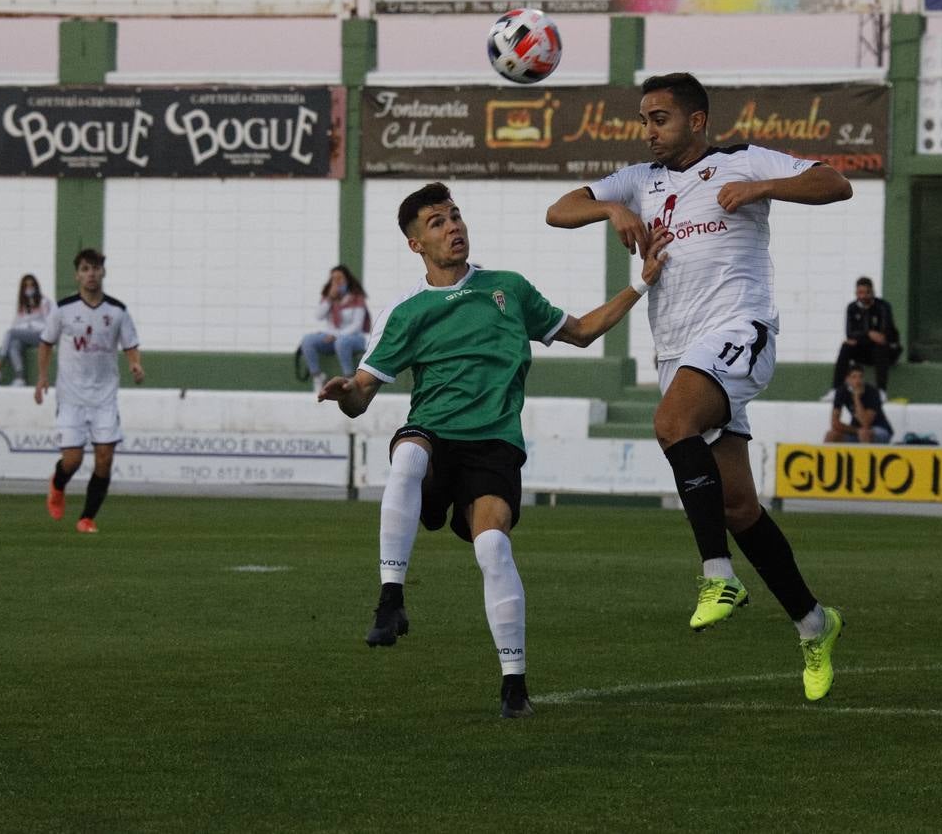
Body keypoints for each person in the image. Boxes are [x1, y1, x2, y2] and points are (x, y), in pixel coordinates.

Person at [545, 72, 853, 701]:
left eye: (659, 118)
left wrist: (764, 187)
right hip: (677, 348)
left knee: (669, 423)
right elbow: (557, 211)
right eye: (644, 119)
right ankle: (815, 624)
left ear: (697, 120)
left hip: (739, 327)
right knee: (738, 505)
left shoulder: (743, 160)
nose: (648, 130)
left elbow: (835, 182)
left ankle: (719, 576)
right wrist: (610, 206)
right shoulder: (639, 179)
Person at [320, 182, 670, 719]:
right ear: (417, 244)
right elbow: (361, 396)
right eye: (437, 222)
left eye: (455, 216)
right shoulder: (408, 311)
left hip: (494, 448)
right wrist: (346, 393)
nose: (453, 227)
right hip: (435, 437)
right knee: (408, 456)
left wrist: (641, 285)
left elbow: (579, 332)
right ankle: (391, 599)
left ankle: (514, 685)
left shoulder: (508, 288)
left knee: (492, 549)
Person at [35, 249, 143, 534]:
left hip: (104, 397)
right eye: (85, 269)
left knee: (105, 458)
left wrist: (135, 365)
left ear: (103, 272)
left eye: (95, 268)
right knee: (73, 460)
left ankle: (86, 518)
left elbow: (130, 344)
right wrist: (42, 377)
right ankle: (58, 484)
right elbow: (46, 343)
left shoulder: (117, 311)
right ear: (77, 274)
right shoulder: (64, 309)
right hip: (71, 397)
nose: (91, 274)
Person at [824, 276, 899, 400]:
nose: (863, 296)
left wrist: (861, 337)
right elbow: (850, 334)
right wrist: (869, 334)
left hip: (884, 351)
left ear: (872, 292)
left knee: (880, 347)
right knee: (846, 346)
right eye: (860, 293)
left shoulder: (883, 307)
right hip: (864, 349)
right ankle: (836, 389)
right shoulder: (852, 308)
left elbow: (883, 335)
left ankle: (881, 391)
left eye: (866, 293)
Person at [300, 265, 370, 392]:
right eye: (334, 279)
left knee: (341, 342)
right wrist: (330, 298)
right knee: (308, 340)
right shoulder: (329, 297)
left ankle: (349, 378)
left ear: (347, 279)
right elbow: (319, 316)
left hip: (354, 337)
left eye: (340, 279)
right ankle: (317, 376)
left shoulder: (356, 298)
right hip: (331, 336)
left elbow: (357, 325)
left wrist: (337, 335)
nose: (337, 282)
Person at [0, 273, 54, 386]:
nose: (29, 288)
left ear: (36, 287)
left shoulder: (44, 301)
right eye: (26, 286)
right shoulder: (23, 305)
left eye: (32, 285)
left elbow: (49, 323)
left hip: (41, 335)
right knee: (14, 344)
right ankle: (19, 377)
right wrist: (24, 327)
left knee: (10, 333)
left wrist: (30, 325)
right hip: (27, 336)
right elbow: (16, 324)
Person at [824, 363, 892, 444]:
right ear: (847, 379)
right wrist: (856, 430)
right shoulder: (841, 391)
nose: (858, 380)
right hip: (858, 430)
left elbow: (866, 423)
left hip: (880, 429)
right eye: (854, 377)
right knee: (831, 435)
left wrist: (856, 398)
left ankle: (865, 456)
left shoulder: (872, 392)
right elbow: (835, 423)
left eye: (860, 377)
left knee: (864, 433)